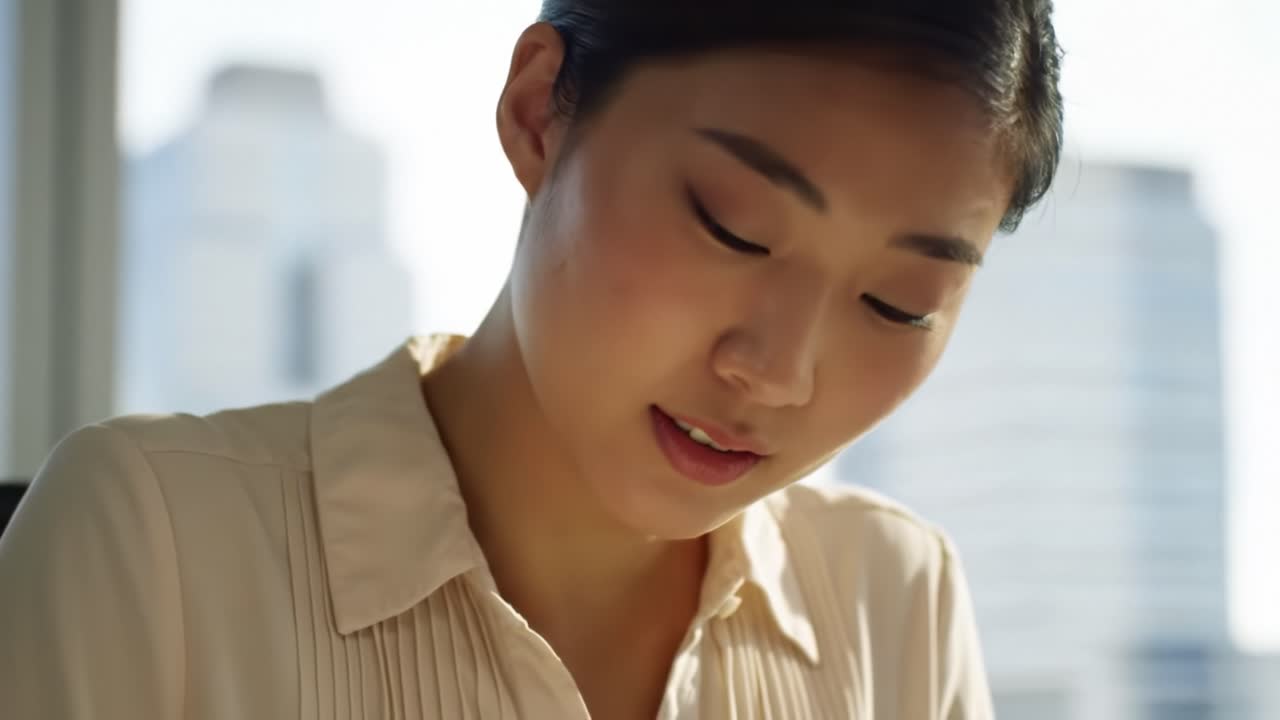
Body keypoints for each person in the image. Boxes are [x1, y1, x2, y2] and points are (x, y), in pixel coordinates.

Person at [0, 1, 1064, 718]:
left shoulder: (894, 602)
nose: (777, 372)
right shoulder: (152, 548)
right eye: (731, 226)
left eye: (897, 303)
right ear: (537, 109)